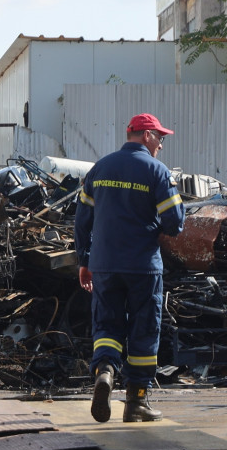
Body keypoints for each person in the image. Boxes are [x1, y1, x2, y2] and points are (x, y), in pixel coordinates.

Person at [73, 113, 185, 423]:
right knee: (143, 331)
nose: (161, 145)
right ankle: (136, 402)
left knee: (107, 327)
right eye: (159, 138)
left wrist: (85, 261)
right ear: (146, 136)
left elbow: (82, 222)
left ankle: (106, 371)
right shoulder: (156, 171)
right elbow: (174, 223)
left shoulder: (100, 169)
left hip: (104, 266)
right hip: (142, 267)